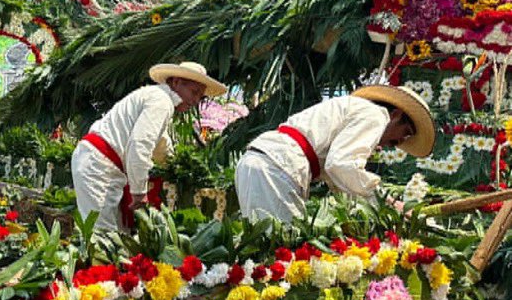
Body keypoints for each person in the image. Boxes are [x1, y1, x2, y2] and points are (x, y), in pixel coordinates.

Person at [235, 84, 435, 223]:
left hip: (259, 161)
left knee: (263, 254)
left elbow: (339, 176)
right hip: (276, 167)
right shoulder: (375, 114)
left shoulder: (356, 110)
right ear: (396, 115)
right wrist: (387, 202)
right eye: (405, 134)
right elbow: (341, 165)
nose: (399, 143)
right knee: (281, 255)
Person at [72, 61, 227, 233]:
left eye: (200, 96)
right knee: (102, 238)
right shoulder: (161, 102)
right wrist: (139, 192)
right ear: (176, 82)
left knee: (109, 236)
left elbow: (160, 145)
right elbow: (140, 144)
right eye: (194, 92)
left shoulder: (157, 97)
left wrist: (174, 166)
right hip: (99, 165)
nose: (195, 100)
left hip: (98, 163)